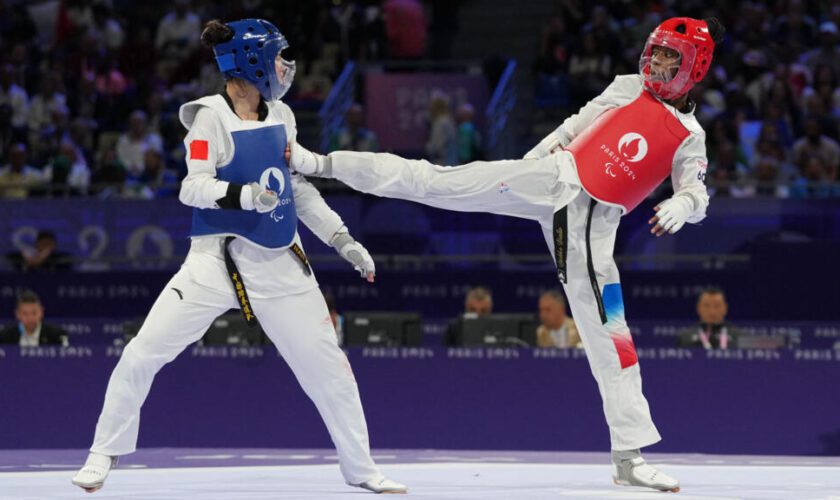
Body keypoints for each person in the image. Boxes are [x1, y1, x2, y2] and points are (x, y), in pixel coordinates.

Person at [291, 16, 726, 493]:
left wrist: (680, 207)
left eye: (671, 58)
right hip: (552, 178)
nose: (658, 63)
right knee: (438, 181)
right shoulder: (626, 86)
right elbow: (572, 127)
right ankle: (322, 163)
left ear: (694, 68)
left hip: (593, 234)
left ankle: (628, 457)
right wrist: (524, 169)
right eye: (656, 52)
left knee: (615, 338)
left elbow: (697, 193)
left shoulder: (690, 136)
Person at [71, 19, 406, 495]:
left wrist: (342, 239)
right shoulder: (209, 116)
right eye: (276, 57)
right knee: (142, 352)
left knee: (329, 369)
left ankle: (361, 468)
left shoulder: (282, 116)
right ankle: (102, 453)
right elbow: (192, 186)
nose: (285, 66)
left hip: (281, 262)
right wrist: (247, 196)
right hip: (215, 262)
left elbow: (299, 188)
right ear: (250, 62)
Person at [0, 290, 68, 346]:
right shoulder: (5, 337)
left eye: (34, 313)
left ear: (41, 312)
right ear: (17, 314)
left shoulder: (56, 336)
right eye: (25, 314)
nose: (30, 318)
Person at [5, 230, 72, 272]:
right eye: (43, 244)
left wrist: (45, 256)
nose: (46, 246)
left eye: (49, 244)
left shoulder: (62, 257)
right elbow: (8, 258)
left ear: (55, 245)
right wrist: (28, 258)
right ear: (36, 245)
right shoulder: (25, 256)